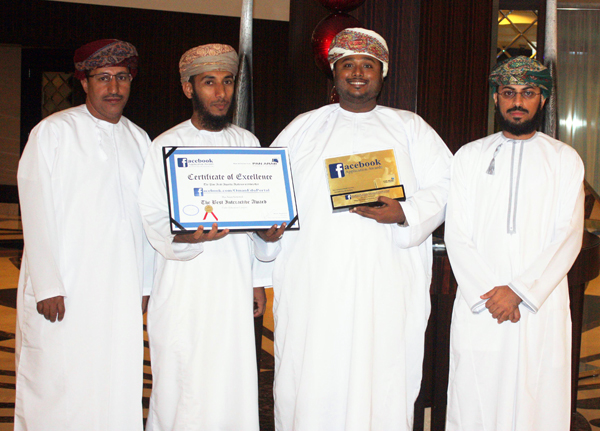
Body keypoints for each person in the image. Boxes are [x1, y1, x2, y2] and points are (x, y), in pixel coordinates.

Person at [262, 28, 452, 430]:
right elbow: (268, 189)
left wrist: (405, 213)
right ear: (334, 72)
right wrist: (266, 230)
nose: (358, 73)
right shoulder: (303, 128)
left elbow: (448, 184)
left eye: (368, 65)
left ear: (383, 74)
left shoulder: (410, 128)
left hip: (386, 283)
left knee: (381, 377)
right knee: (311, 376)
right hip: (314, 285)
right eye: (348, 64)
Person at [138, 44, 281, 431]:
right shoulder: (165, 145)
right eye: (209, 82)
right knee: (182, 384)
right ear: (189, 88)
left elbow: (259, 215)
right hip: (183, 286)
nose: (220, 93)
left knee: (231, 381)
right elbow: (151, 215)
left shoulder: (248, 143)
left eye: (228, 82)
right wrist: (186, 238)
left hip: (233, 285)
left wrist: (259, 272)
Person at [15, 39, 153, 431]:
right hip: (66, 288)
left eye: (122, 77)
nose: (114, 87)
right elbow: (35, 211)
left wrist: (145, 283)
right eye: (103, 77)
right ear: (84, 82)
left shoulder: (139, 139)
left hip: (120, 289)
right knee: (58, 382)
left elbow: (146, 218)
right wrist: (47, 285)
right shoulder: (53, 132)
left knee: (114, 378)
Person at [444, 56, 585, 431]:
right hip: (482, 302)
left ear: (543, 99)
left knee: (538, 397)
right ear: (496, 98)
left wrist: (520, 291)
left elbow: (568, 235)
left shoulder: (565, 159)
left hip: (539, 303)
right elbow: (457, 233)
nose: (517, 101)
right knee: (476, 395)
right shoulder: (469, 156)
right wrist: (491, 294)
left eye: (528, 92)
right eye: (508, 92)